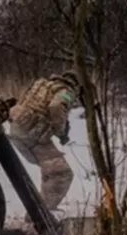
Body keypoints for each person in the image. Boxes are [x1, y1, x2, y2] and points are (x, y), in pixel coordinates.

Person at [7, 70, 81, 215]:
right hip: (33, 136)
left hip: (18, 130)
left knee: (50, 170)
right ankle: (42, 214)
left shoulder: (41, 84)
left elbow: (22, 101)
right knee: (62, 173)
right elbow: (56, 106)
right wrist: (61, 131)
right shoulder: (65, 90)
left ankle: (38, 209)